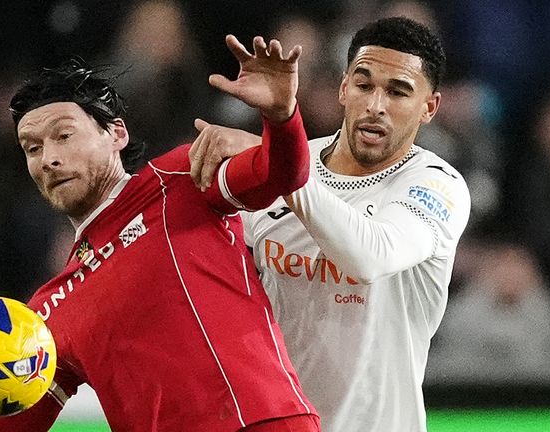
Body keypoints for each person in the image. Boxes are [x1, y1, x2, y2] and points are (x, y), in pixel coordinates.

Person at [0, 35, 320, 432]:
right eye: (31, 148)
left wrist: (281, 116)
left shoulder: (179, 179)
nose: (49, 159)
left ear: (117, 134)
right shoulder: (48, 309)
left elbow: (283, 174)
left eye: (64, 135)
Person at [189, 17, 471, 432]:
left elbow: (369, 255)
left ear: (429, 107)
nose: (376, 105)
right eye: (364, 85)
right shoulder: (275, 166)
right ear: (343, 89)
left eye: (398, 91)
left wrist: (280, 162)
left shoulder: (437, 185)